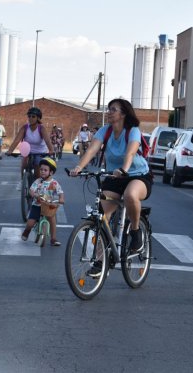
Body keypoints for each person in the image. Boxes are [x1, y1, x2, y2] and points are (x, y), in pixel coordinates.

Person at [69, 98, 153, 277]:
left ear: (123, 114)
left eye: (113, 109)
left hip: (137, 175)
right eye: (109, 109)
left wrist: (124, 169)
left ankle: (136, 234)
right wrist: (79, 168)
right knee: (101, 217)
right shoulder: (104, 131)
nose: (109, 112)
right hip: (114, 176)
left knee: (130, 195)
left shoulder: (133, 131)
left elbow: (131, 152)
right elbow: (92, 150)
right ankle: (101, 260)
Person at [21, 157, 64, 247]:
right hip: (37, 205)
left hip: (48, 205)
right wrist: (34, 194)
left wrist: (61, 199)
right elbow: (31, 190)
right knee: (30, 223)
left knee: (52, 219)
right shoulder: (38, 181)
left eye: (45, 170)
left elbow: (60, 192)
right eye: (41, 170)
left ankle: (53, 238)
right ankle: (26, 231)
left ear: (51, 172)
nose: (42, 172)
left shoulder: (54, 183)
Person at [5, 106, 54, 179]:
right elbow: (17, 140)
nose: (30, 118)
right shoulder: (25, 127)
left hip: (40, 152)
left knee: (37, 165)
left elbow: (47, 141)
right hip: (27, 151)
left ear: (38, 118)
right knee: (24, 163)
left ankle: (38, 184)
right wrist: (10, 150)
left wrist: (51, 150)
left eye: (33, 116)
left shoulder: (41, 128)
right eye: (29, 116)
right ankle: (22, 181)